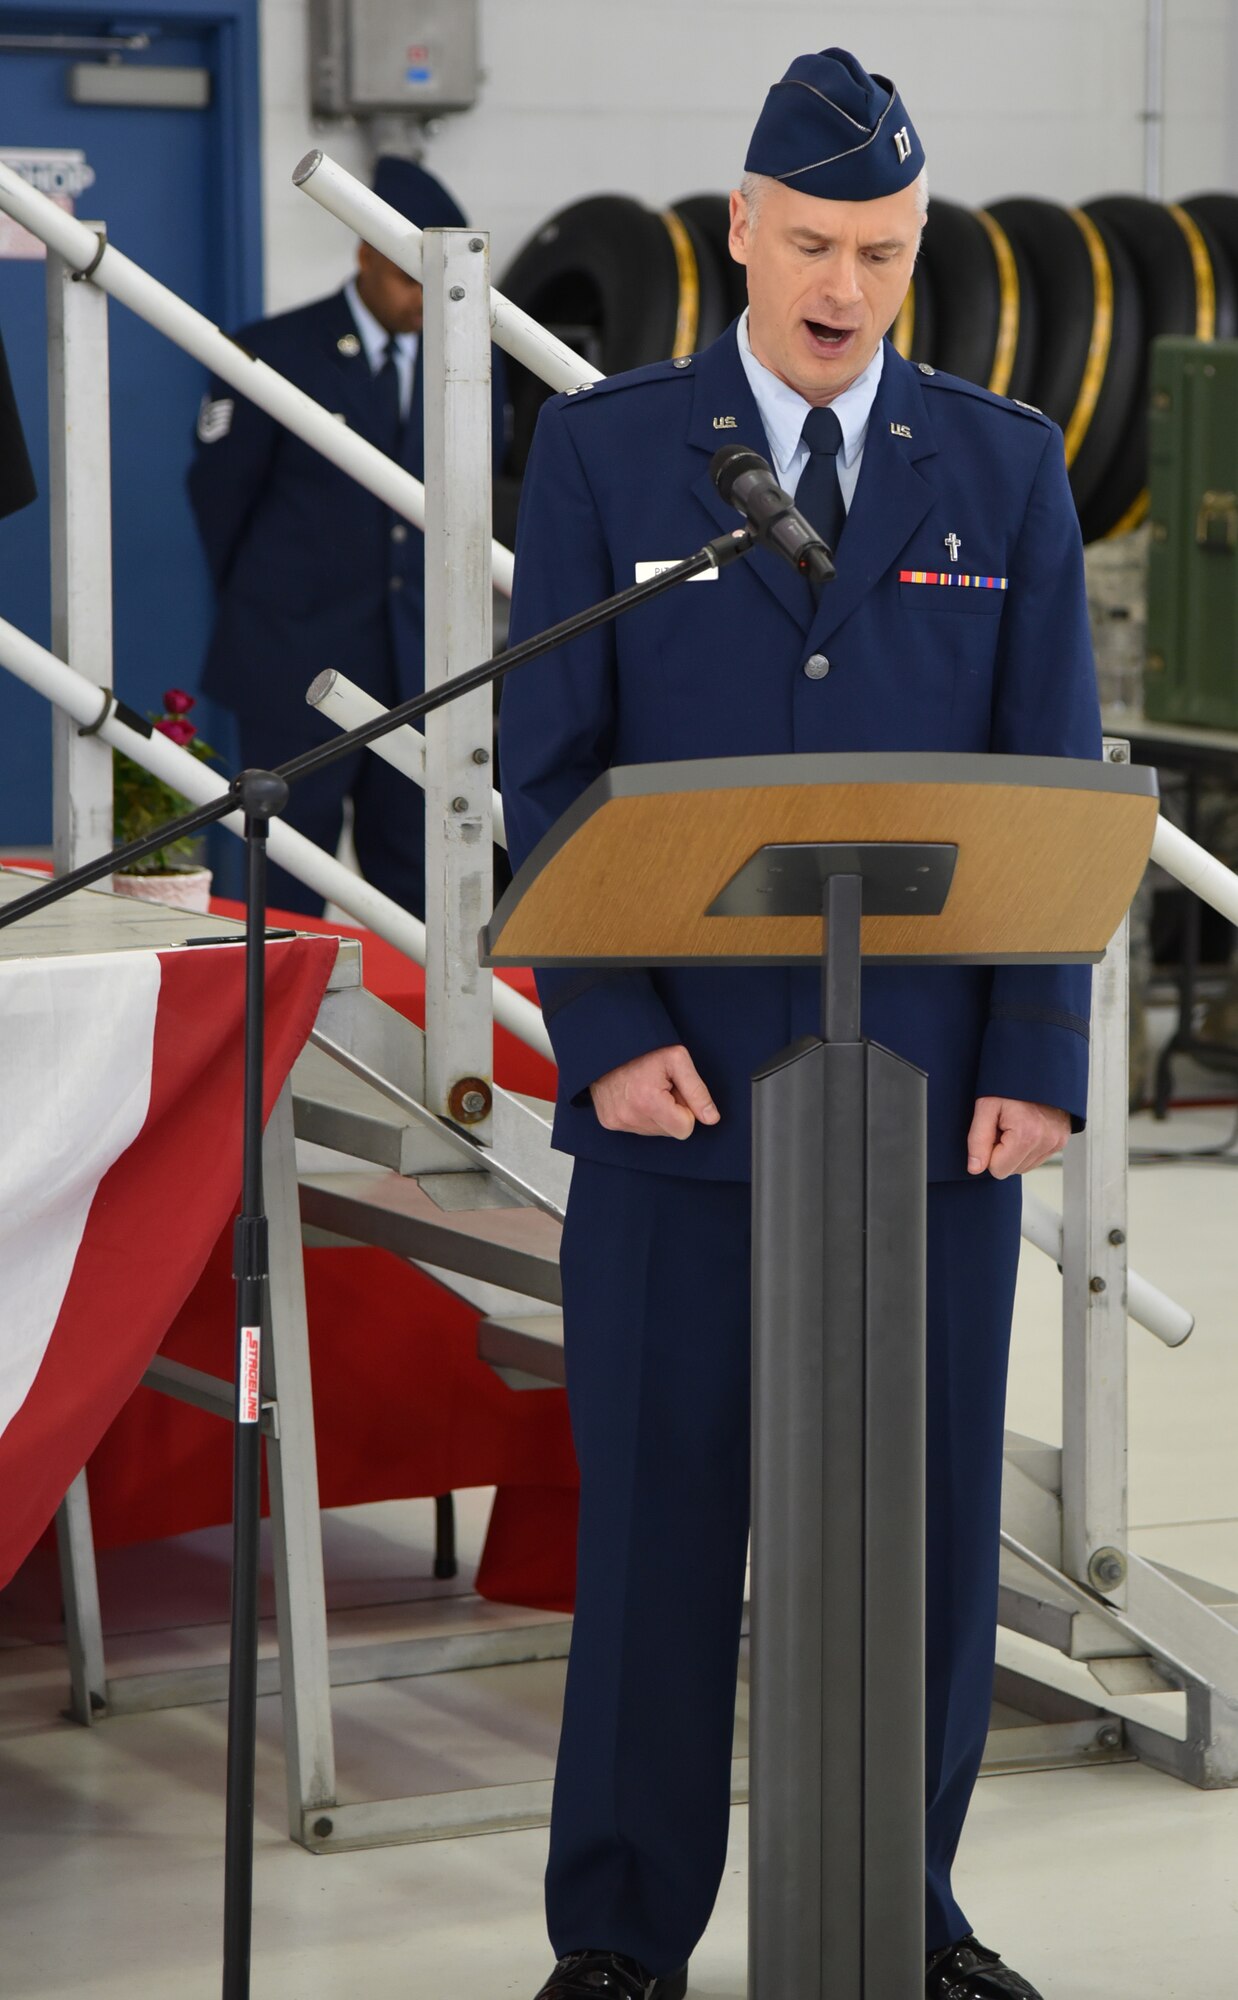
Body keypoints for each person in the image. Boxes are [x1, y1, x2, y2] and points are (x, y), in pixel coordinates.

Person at [500, 47, 1101, 2000]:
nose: (848, 283)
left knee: (917, 1549)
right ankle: (617, 1938)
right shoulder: (609, 456)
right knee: (659, 1540)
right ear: (741, 228)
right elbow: (552, 774)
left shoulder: (1001, 464)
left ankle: (903, 1919)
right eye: (818, 240)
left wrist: (1031, 1060)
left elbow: (1052, 774)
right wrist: (602, 1029)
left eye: (888, 248)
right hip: (674, 1108)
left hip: (928, 1113)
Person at [187, 157, 507, 918]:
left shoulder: (467, 362)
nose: (422, 301)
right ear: (364, 253)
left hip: (422, 670)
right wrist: (274, 613)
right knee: (281, 885)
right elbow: (218, 500)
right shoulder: (275, 350)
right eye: (407, 278)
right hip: (295, 661)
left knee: (423, 889)